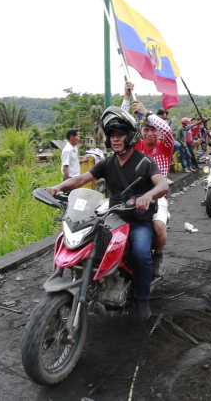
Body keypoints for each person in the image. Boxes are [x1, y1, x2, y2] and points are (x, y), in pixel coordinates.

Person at [47, 106, 168, 320]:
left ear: (130, 136)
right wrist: (58, 187)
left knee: (140, 252)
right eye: (112, 135)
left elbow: (163, 185)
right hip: (114, 218)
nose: (115, 139)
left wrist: (148, 196)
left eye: (120, 134)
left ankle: (142, 297)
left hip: (138, 220)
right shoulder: (107, 163)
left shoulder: (144, 162)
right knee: (86, 243)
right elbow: (79, 180)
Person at [123, 82, 174, 278]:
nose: (150, 132)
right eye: (146, 129)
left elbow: (167, 130)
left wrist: (147, 113)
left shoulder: (165, 146)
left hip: (157, 195)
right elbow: (123, 125)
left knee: (158, 226)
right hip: (132, 194)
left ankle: (158, 256)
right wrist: (126, 98)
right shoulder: (137, 146)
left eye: (154, 129)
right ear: (142, 132)